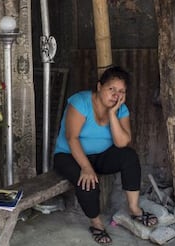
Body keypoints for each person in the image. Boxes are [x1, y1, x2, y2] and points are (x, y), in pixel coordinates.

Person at [53, 66, 158, 244]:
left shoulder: (120, 109)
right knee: (87, 182)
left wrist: (112, 114)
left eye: (121, 91)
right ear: (99, 86)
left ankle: (134, 209)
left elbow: (122, 143)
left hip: (101, 155)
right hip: (69, 155)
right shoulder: (81, 102)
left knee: (129, 157)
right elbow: (72, 138)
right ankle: (96, 223)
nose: (116, 95)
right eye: (111, 89)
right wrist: (86, 167)